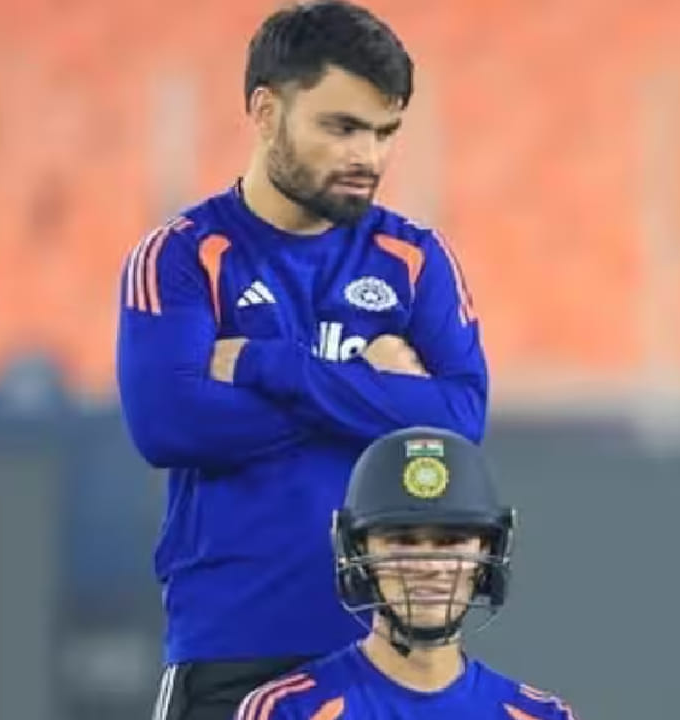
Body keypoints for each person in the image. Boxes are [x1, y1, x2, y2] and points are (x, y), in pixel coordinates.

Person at [117, 2, 488, 718]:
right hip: (232, 653)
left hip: (385, 660)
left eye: (385, 133)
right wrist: (377, 396)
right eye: (342, 128)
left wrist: (271, 367)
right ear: (266, 112)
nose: (368, 157)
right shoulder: (181, 255)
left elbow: (459, 421)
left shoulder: (415, 259)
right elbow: (170, 424)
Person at [233, 426, 579, 720]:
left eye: (451, 541)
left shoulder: (540, 715)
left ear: (487, 552)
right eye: (402, 541)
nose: (429, 566)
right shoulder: (291, 710)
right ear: (360, 553)